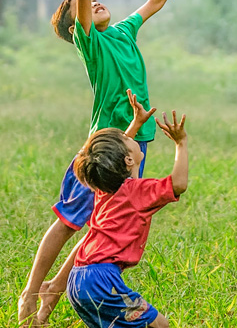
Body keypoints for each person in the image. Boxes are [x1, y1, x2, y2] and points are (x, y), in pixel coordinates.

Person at [18, 0, 201, 326]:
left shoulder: (122, 31)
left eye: (97, 0)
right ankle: (31, 293)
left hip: (134, 144)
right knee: (68, 223)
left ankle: (48, 304)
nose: (94, 1)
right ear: (75, 25)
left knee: (101, 229)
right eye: (83, 7)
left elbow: (153, 2)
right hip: (103, 149)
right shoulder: (92, 43)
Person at [66, 92, 188, 328]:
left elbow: (113, 157)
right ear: (129, 161)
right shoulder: (137, 192)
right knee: (160, 325)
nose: (129, 137)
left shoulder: (105, 186)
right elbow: (179, 183)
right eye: (127, 139)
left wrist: (136, 123)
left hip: (78, 279)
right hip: (102, 281)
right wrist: (181, 143)